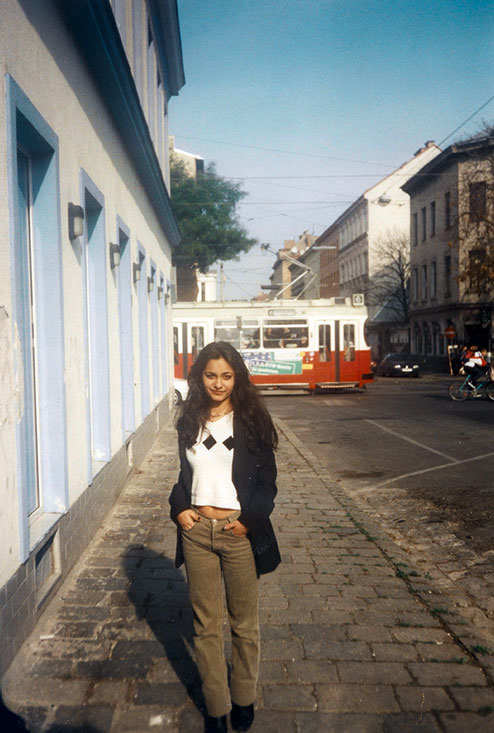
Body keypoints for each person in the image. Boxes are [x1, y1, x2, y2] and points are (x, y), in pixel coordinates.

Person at [169, 341, 281, 733]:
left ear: (238, 378)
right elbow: (185, 476)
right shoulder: (190, 419)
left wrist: (249, 521)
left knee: (244, 624)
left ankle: (244, 698)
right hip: (197, 532)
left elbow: (267, 482)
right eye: (211, 375)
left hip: (238, 533)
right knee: (206, 624)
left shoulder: (251, 421)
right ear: (200, 376)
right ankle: (216, 707)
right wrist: (179, 507)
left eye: (227, 376)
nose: (218, 383)